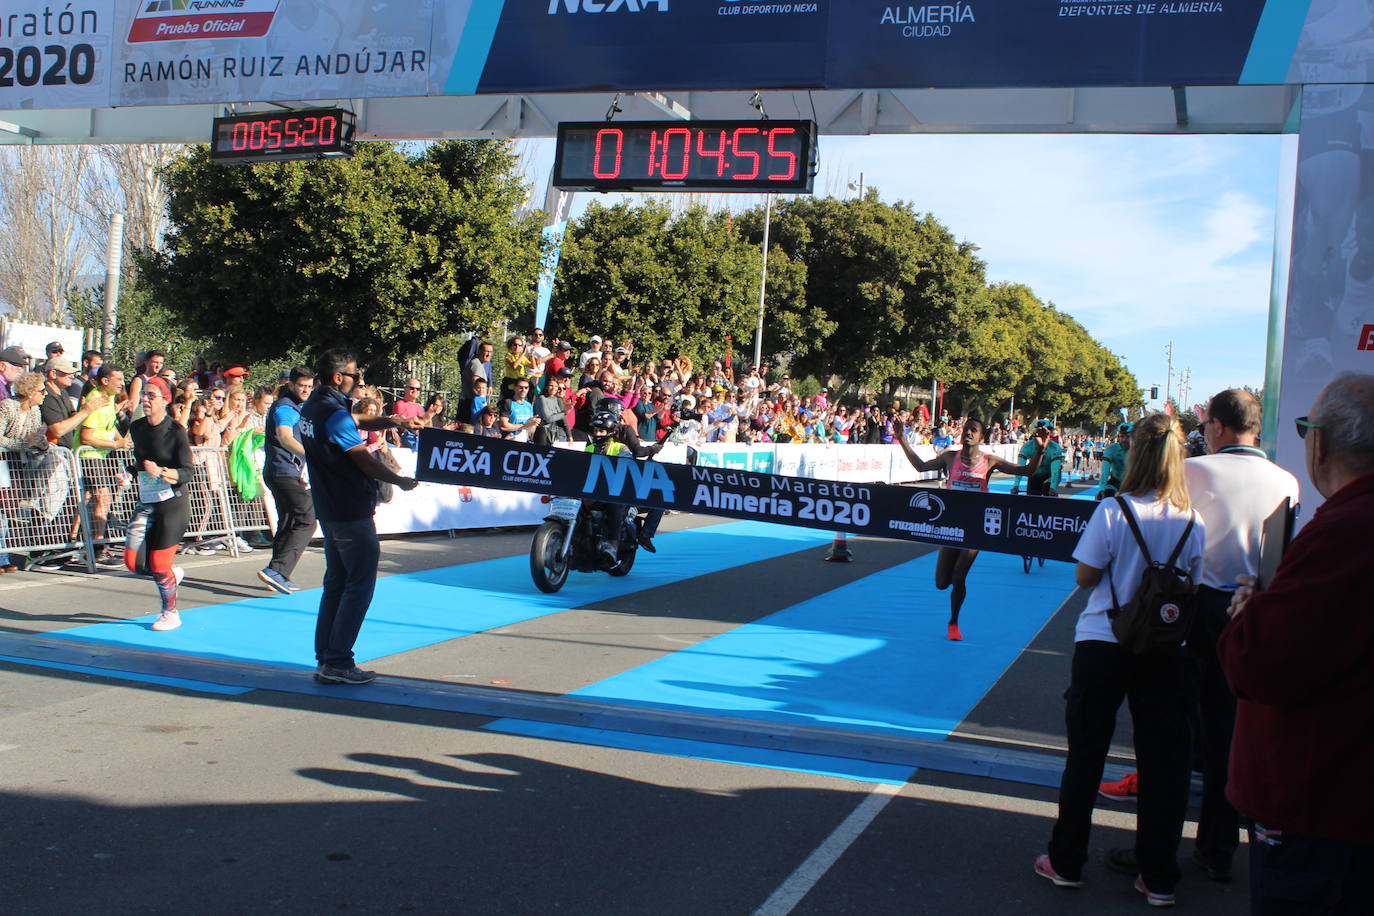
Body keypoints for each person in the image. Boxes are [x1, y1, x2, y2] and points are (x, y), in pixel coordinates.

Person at [1100, 389, 1300, 885]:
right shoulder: (1287, 481)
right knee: (1229, 737)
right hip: (1255, 610)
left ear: (1220, 428)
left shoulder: (1199, 470)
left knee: (1171, 735)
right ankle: (1217, 848)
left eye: (1208, 423)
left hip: (1194, 609)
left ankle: (1156, 854)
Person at [1218, 373, 1374, 915]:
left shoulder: (1344, 531)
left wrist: (1250, 612)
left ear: (1321, 442)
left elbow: (1257, 666)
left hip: (1322, 808)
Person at [1035, 413, 1204, 909]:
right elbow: (1191, 585)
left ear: (1135, 454)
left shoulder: (1113, 510)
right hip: (1162, 649)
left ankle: (1066, 861)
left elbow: (1084, 577)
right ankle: (1159, 875)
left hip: (1102, 641)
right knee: (1163, 762)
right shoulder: (1193, 520)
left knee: (1086, 753)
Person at [299, 349, 422, 686]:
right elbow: (361, 459)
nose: (360, 382)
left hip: (329, 506)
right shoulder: (332, 412)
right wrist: (398, 480)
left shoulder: (314, 406)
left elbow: (355, 421)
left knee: (336, 583)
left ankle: (326, 656)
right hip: (349, 508)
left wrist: (394, 421)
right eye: (355, 376)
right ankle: (338, 661)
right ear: (338, 377)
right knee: (359, 585)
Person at [893, 417, 1049, 640]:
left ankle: (954, 622)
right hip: (950, 527)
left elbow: (1027, 471)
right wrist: (901, 438)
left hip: (975, 529)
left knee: (959, 576)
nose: (968, 432)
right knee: (941, 583)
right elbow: (920, 466)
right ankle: (953, 612)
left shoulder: (989, 461)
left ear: (981, 436)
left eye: (973, 430)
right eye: (966, 429)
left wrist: (1040, 450)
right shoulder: (950, 457)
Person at [125, 377, 194, 632]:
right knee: (134, 563)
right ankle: (170, 576)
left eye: (151, 395)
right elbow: (141, 463)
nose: (145, 399)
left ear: (165, 400)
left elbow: (188, 472)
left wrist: (164, 472)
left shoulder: (175, 431)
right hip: (147, 500)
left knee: (158, 565)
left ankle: (170, 612)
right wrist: (128, 472)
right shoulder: (138, 428)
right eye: (144, 394)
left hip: (173, 504)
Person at [259, 367, 315, 595]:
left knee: (289, 521)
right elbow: (284, 435)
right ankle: (276, 570)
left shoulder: (296, 407)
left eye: (310, 386)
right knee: (307, 519)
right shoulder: (286, 407)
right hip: (284, 472)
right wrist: (311, 456)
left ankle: (277, 574)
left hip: (279, 472)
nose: (306, 390)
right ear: (291, 384)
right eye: (302, 385)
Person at [75, 365, 133, 568]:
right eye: (117, 379)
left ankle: (77, 541)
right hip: (89, 454)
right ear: (105, 381)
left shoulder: (109, 400)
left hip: (102, 455)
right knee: (103, 497)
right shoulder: (96, 399)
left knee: (90, 499)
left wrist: (122, 440)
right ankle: (98, 548)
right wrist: (116, 444)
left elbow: (109, 427)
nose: (121, 383)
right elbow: (86, 436)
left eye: (122, 378)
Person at [1013, 419, 1064, 496]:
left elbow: (1055, 471)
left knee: (1047, 489)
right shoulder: (1027, 446)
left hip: (1049, 475)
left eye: (1044, 432)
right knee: (1032, 497)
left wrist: (1052, 487)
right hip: (1035, 474)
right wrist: (1016, 485)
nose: (1042, 434)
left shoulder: (1055, 448)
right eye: (1039, 432)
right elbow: (1020, 467)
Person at [1097, 422, 1133, 498]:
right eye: (1121, 436)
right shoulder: (1112, 448)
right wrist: (1102, 488)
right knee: (1105, 495)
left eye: (1128, 437)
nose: (1124, 440)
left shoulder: (1140, 449)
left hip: (1133, 482)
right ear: (1118, 437)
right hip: (1116, 481)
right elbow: (1105, 470)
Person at [391, 378, 426, 449]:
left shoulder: (419, 407)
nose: (415, 390)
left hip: (418, 436)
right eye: (412, 388)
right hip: (406, 437)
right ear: (405, 389)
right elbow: (403, 425)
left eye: (418, 389)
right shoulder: (400, 404)